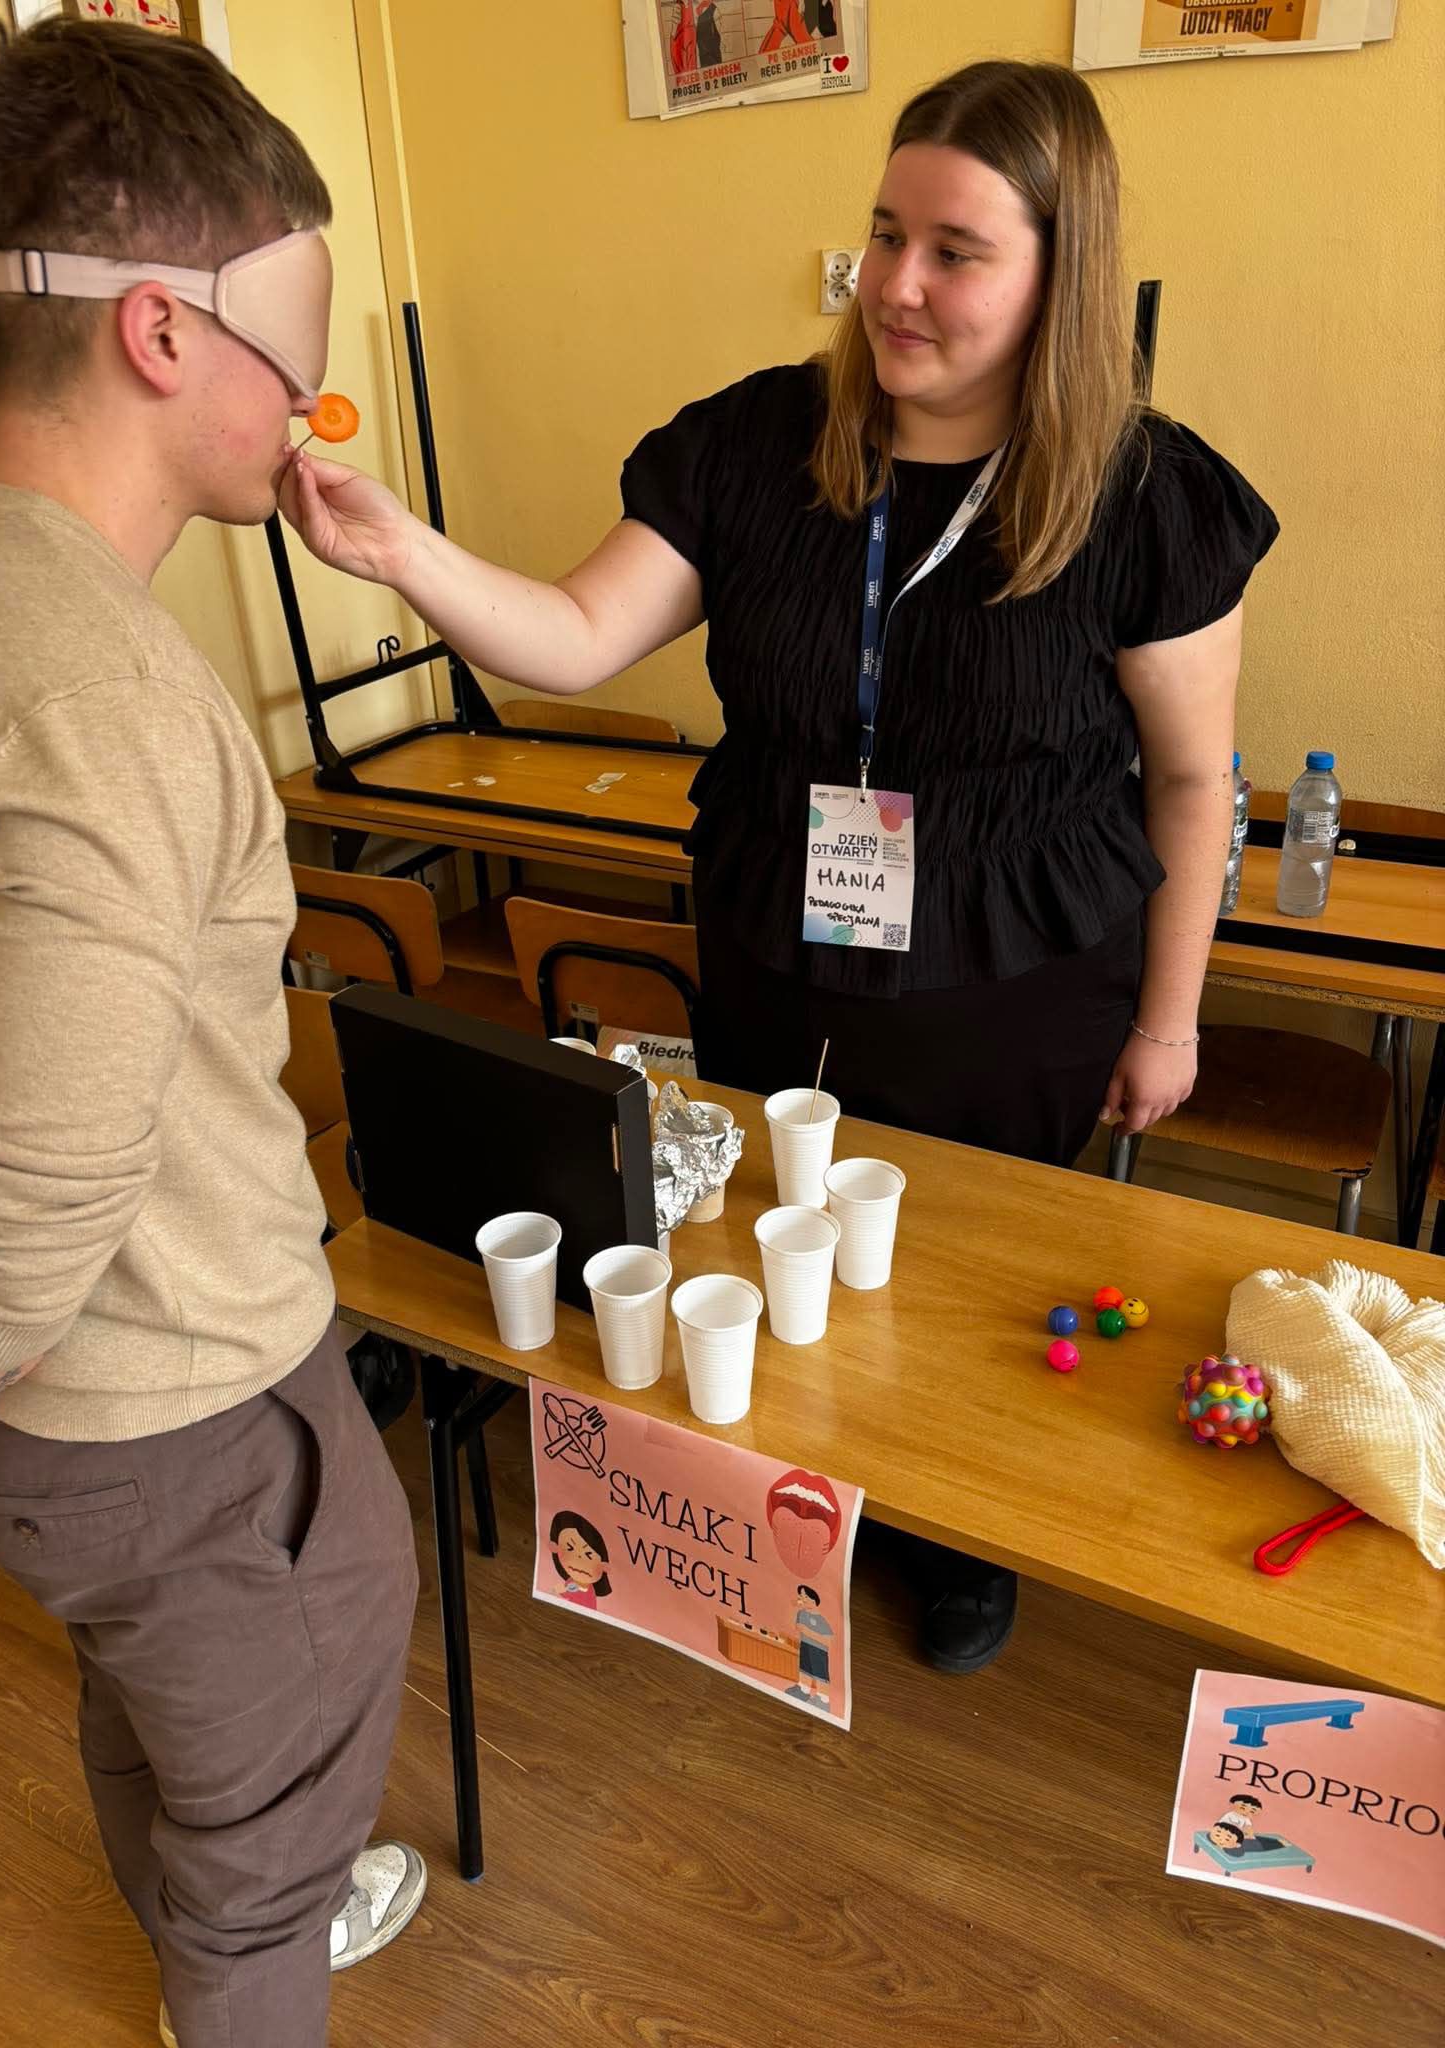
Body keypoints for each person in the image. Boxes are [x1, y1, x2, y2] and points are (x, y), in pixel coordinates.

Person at [275, 59, 1277, 1674]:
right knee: (772, 1228)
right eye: (885, 232)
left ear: (1060, 275)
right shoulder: (755, 445)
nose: (894, 283)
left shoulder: (1145, 498)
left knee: (968, 1270)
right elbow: (577, 633)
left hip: (1018, 972)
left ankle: (954, 1536)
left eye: (956, 251)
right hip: (778, 933)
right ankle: (788, 1493)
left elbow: (1187, 781)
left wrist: (1170, 1023)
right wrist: (403, 553)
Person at [0, 22, 425, 2047]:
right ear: (159, 333)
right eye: (295, 366)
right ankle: (248, 1944)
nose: (306, 412)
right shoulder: (107, 699)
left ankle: (221, 1895)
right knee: (267, 1823)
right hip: (177, 1409)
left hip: (56, 1441)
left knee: (158, 1708)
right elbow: (35, 1156)